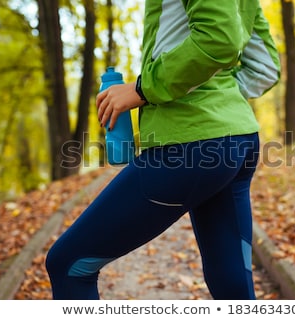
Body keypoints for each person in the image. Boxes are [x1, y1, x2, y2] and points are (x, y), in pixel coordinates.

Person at [46, 0, 280, 300]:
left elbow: (220, 38)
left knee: (68, 264)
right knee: (231, 278)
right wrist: (218, 100)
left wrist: (143, 89)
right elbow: (266, 67)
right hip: (239, 140)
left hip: (189, 147)